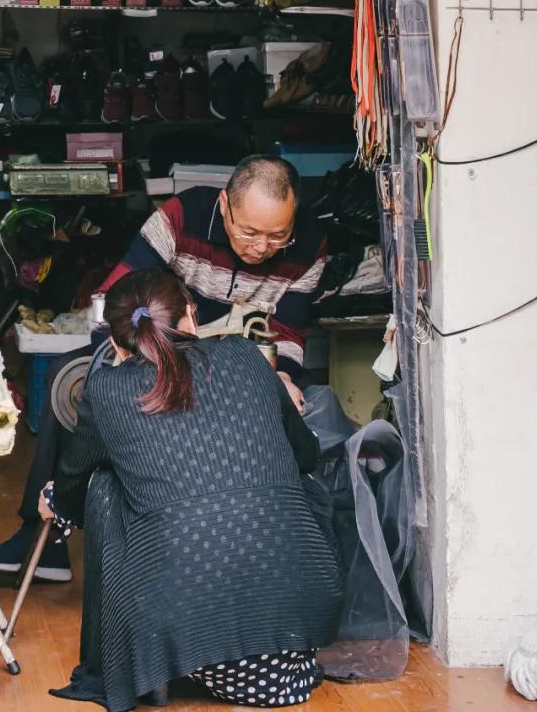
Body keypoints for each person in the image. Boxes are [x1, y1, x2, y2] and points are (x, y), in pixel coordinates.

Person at [0, 154, 326, 583]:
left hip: (242, 367)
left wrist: (283, 379)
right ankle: (42, 540)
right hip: (157, 352)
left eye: (277, 237)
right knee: (66, 380)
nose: (260, 248)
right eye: (249, 232)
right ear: (224, 206)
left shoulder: (310, 243)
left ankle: (268, 551)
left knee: (301, 408)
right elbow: (113, 303)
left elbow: (288, 331)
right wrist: (134, 363)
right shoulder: (180, 219)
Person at [40, 269, 342, 712]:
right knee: (298, 486)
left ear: (117, 345)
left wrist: (53, 500)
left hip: (190, 636)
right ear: (192, 319)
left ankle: (162, 665)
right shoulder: (246, 355)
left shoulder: (106, 387)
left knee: (103, 485)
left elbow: (71, 483)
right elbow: (305, 457)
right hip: (293, 647)